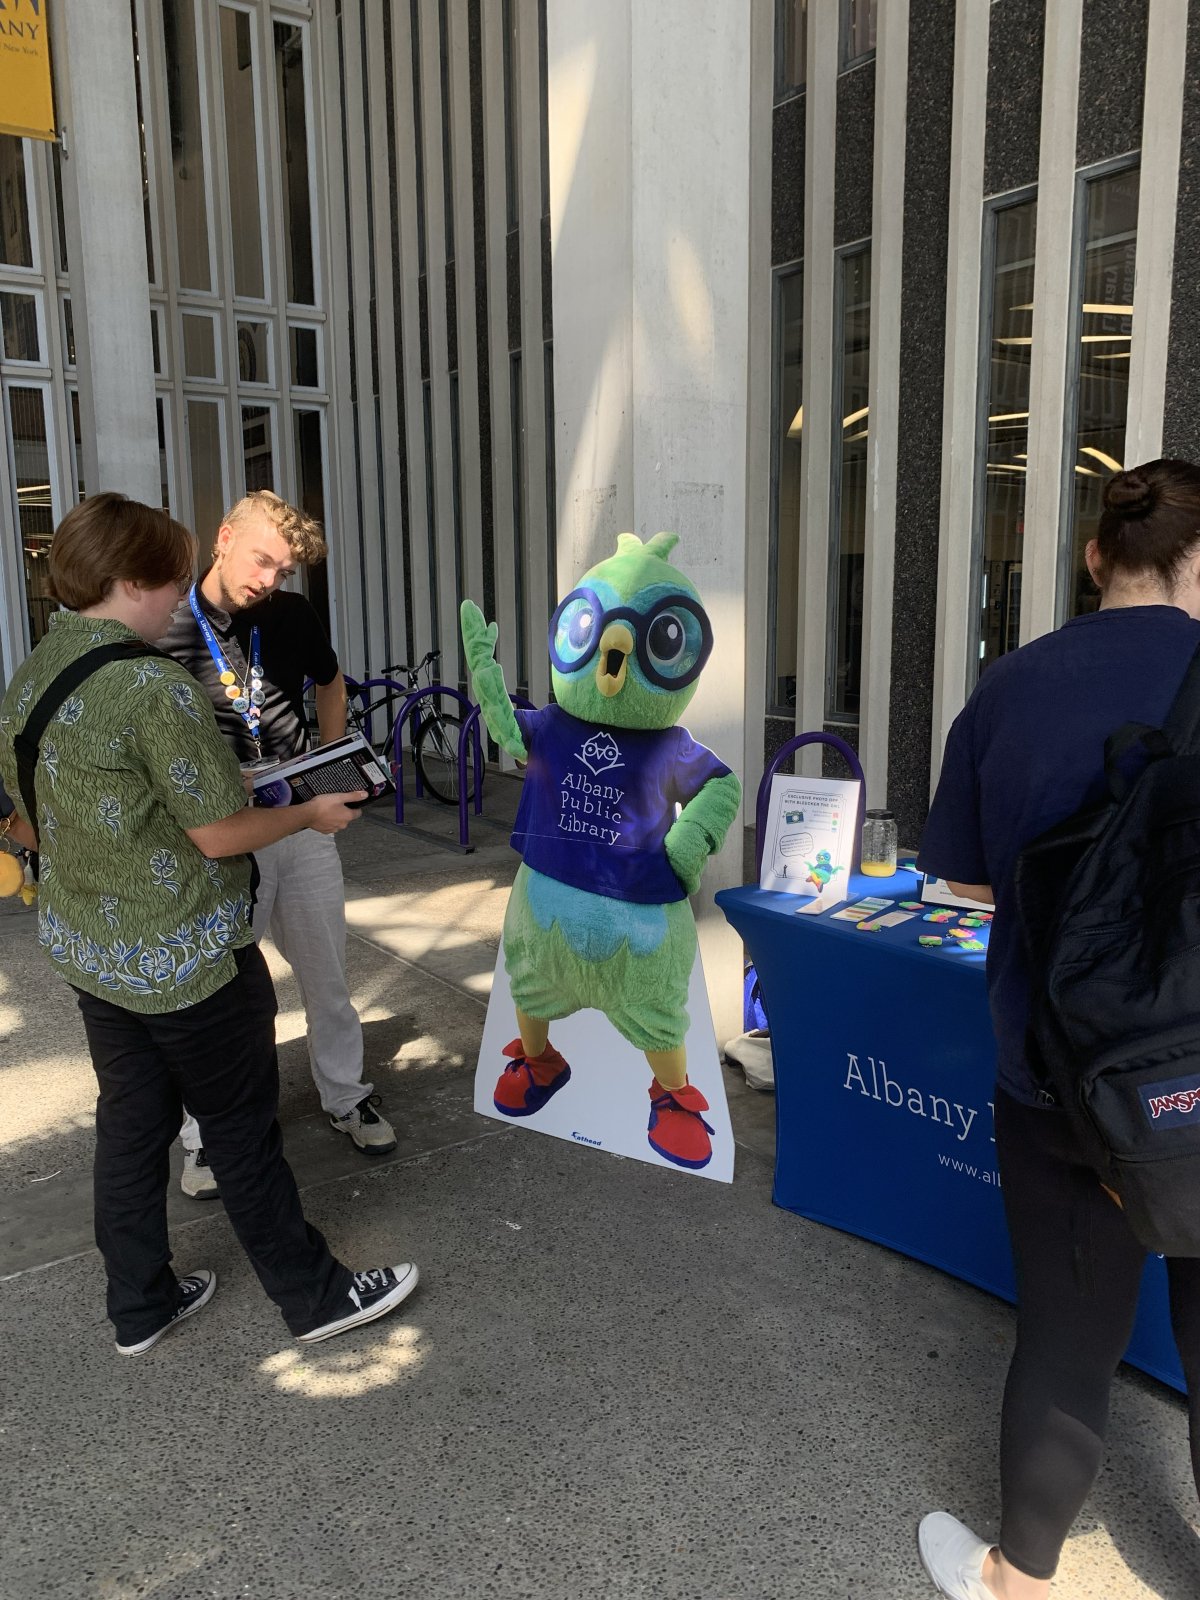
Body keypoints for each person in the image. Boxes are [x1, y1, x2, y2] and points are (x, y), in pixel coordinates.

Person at [0, 493, 418, 1355]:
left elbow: (33, 822)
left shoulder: (35, 672)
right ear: (130, 581)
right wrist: (309, 817)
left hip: (93, 954)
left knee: (128, 1129)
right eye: (168, 581)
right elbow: (219, 831)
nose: (175, 597)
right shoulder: (154, 686)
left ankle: (141, 1305)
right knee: (242, 1132)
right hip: (189, 955)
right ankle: (318, 1297)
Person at [915, 460, 1200, 1598]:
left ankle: (1019, 1576)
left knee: (1070, 1333)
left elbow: (967, 886)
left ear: (1094, 558)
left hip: (1063, 1079)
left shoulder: (1009, 689)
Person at [157, 490, 394, 1200]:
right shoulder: (168, 627)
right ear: (223, 538)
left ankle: (346, 1095)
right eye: (263, 559)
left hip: (300, 816)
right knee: (221, 995)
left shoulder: (288, 616)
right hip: (223, 830)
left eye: (284, 569)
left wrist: (330, 760)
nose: (270, 579)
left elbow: (329, 681)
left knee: (327, 973)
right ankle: (204, 1138)